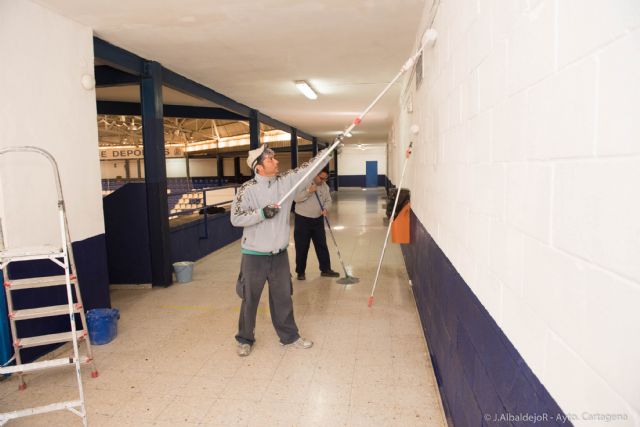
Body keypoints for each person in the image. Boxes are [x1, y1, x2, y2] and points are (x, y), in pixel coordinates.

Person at [230, 143, 332, 357]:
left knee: (283, 297)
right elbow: (236, 218)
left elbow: (308, 168)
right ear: (258, 166)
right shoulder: (246, 190)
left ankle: (289, 337)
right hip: (253, 256)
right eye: (270, 159)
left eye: (274, 158)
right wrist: (261, 213)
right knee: (250, 299)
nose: (276, 161)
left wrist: (327, 153)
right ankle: (245, 338)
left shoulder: (285, 182)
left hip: (279, 255)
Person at [293, 170, 340, 280]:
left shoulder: (325, 187)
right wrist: (309, 191)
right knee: (302, 247)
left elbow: (328, 200)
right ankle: (300, 272)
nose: (322, 181)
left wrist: (325, 208)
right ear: (315, 174)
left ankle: (325, 269)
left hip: (318, 220)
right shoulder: (303, 183)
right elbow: (296, 199)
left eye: (325, 179)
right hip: (302, 219)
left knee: (322, 245)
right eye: (321, 178)